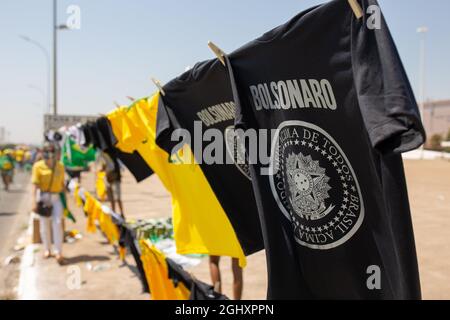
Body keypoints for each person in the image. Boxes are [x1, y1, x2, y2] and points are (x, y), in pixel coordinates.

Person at [31, 142, 67, 264]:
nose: (49, 155)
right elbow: (35, 186)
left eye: (51, 151)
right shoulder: (37, 166)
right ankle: (47, 249)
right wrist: (34, 203)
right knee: (44, 225)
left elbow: (62, 185)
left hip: (56, 198)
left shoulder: (61, 166)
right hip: (43, 198)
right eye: (46, 151)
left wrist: (66, 202)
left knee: (57, 223)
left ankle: (58, 251)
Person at [97, 151, 124, 218]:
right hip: (107, 179)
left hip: (115, 178)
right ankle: (114, 213)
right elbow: (104, 166)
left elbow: (113, 166)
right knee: (111, 198)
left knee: (117, 198)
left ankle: (122, 213)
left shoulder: (112, 153)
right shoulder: (102, 154)